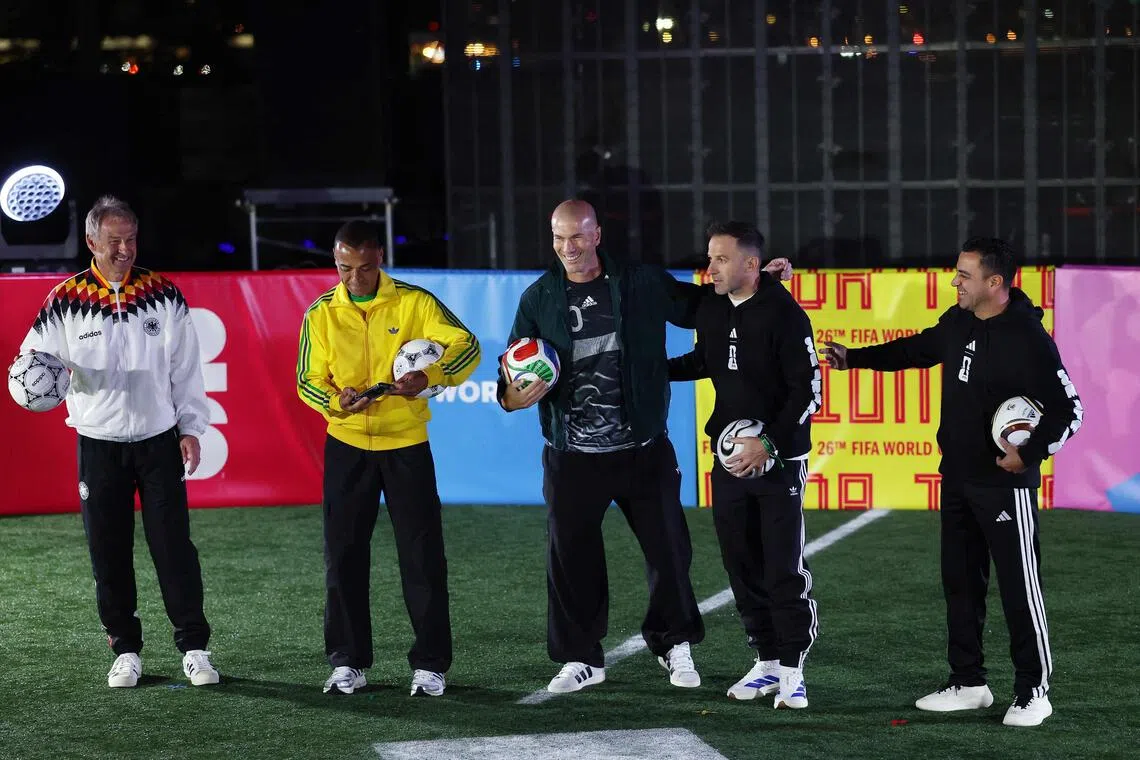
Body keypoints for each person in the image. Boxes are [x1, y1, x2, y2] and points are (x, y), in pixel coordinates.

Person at [497, 200, 790, 694]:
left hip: (643, 447)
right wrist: (513, 397)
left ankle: (675, 645)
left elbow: (705, 307)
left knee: (669, 552)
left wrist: (761, 282)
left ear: (596, 235)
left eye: (576, 236)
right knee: (571, 559)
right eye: (558, 237)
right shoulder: (539, 297)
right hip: (571, 455)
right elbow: (508, 376)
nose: (567, 248)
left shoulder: (639, 281)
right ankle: (581, 658)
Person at [821, 237, 1083, 727]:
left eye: (964, 275)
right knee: (960, 585)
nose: (954, 281)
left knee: (1019, 589)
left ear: (995, 283)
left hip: (1004, 486)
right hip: (957, 478)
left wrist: (1027, 453)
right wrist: (854, 358)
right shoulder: (958, 320)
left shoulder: (1027, 337)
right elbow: (919, 349)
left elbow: (1071, 410)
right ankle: (969, 683)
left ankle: (1034, 691)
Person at [15, 195, 219, 689]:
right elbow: (29, 364)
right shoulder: (64, 300)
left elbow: (186, 371)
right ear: (91, 242)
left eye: (130, 240)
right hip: (98, 444)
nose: (124, 249)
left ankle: (194, 647)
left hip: (158, 442)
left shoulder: (164, 295)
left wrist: (190, 428)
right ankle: (125, 649)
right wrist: (43, 381)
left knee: (173, 548)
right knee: (108, 551)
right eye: (114, 242)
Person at [296, 220, 481, 697]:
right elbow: (307, 380)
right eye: (343, 268)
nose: (353, 279)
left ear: (380, 258)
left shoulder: (415, 302)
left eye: (363, 267)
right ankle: (348, 663)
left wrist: (431, 374)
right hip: (348, 444)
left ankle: (431, 664)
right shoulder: (321, 313)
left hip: (406, 444)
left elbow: (469, 346)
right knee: (343, 557)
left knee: (421, 557)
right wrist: (339, 402)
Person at [668, 222, 821, 709]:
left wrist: (769, 444)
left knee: (782, 565)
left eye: (720, 259)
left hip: (779, 462)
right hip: (728, 460)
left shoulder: (786, 315)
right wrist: (651, 369)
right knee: (740, 562)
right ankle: (767, 661)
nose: (709, 267)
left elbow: (808, 392)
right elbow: (703, 360)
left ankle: (794, 670)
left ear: (750, 265)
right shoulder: (711, 307)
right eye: (709, 257)